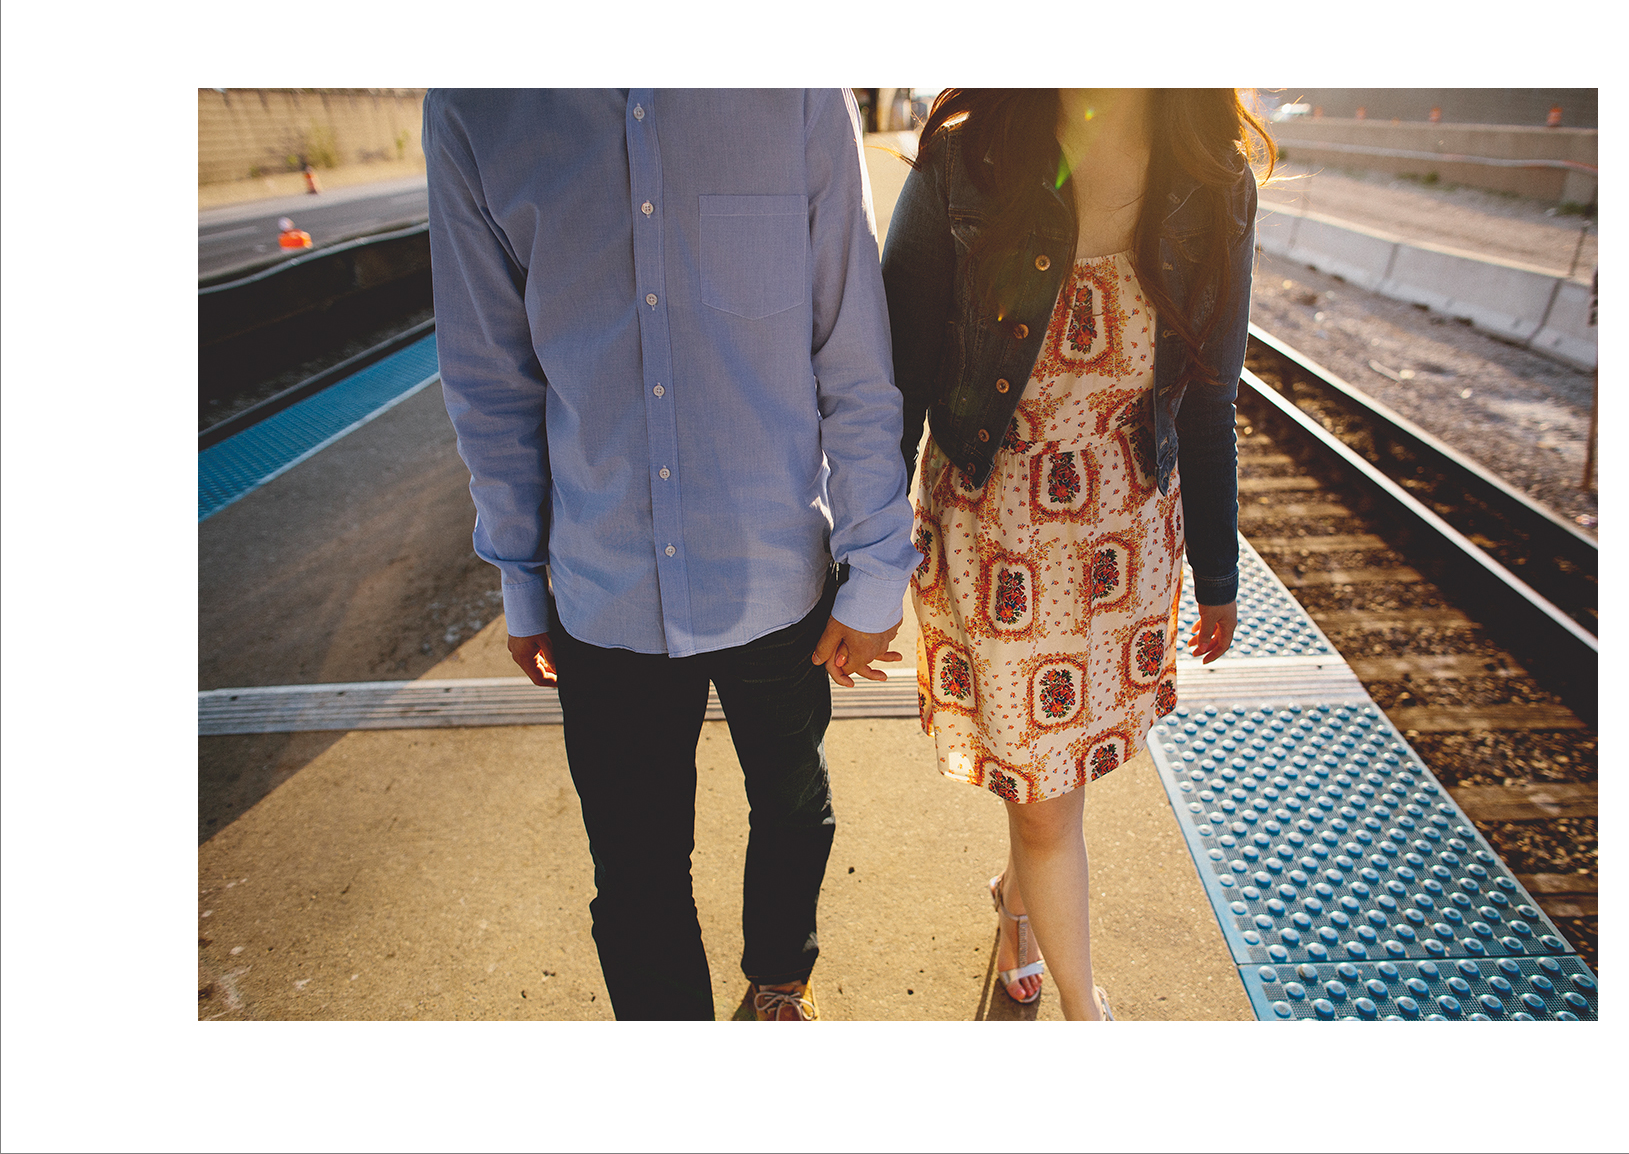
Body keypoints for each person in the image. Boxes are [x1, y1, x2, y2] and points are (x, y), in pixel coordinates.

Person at [424, 90, 919, 1021]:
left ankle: (780, 976)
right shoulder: (476, 101)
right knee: (636, 874)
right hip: (600, 585)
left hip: (778, 576)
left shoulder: (796, 84)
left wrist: (876, 565)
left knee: (793, 804)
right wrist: (521, 579)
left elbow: (851, 354)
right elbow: (489, 375)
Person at [881, 89, 1267, 1019]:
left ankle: (1019, 908)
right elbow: (891, 380)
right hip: (997, 531)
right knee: (1050, 801)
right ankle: (1085, 1014)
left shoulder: (1216, 178)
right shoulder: (961, 162)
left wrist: (1218, 573)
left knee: (1051, 778)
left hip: (1125, 543)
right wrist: (863, 558)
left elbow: (1211, 397)